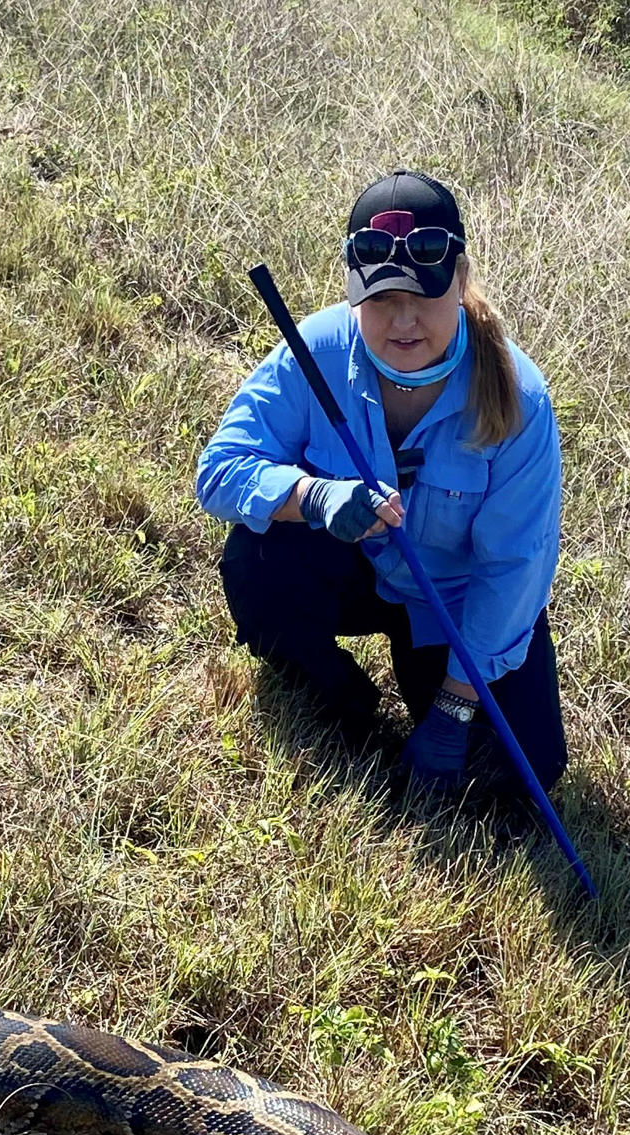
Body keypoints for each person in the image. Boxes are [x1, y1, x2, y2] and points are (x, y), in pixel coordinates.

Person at [195, 170, 568, 794]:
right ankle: (342, 698)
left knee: (521, 774)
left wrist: (454, 709)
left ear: (460, 279)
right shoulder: (312, 348)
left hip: (451, 603)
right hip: (352, 570)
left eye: (424, 295)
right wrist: (313, 497)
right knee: (255, 562)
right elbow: (222, 469)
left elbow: (514, 568)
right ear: (351, 292)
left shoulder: (520, 399)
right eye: (381, 298)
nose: (403, 321)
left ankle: (436, 700)